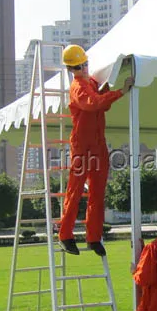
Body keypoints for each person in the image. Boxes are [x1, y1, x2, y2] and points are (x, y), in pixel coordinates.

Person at [58, 44, 134, 257]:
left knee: (98, 193)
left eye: (83, 64)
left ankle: (93, 237)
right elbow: (93, 103)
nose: (82, 68)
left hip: (97, 145)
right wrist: (120, 92)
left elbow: (102, 104)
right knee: (75, 192)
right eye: (78, 66)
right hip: (82, 147)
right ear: (72, 69)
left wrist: (108, 90)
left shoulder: (90, 83)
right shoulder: (78, 87)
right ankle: (65, 235)